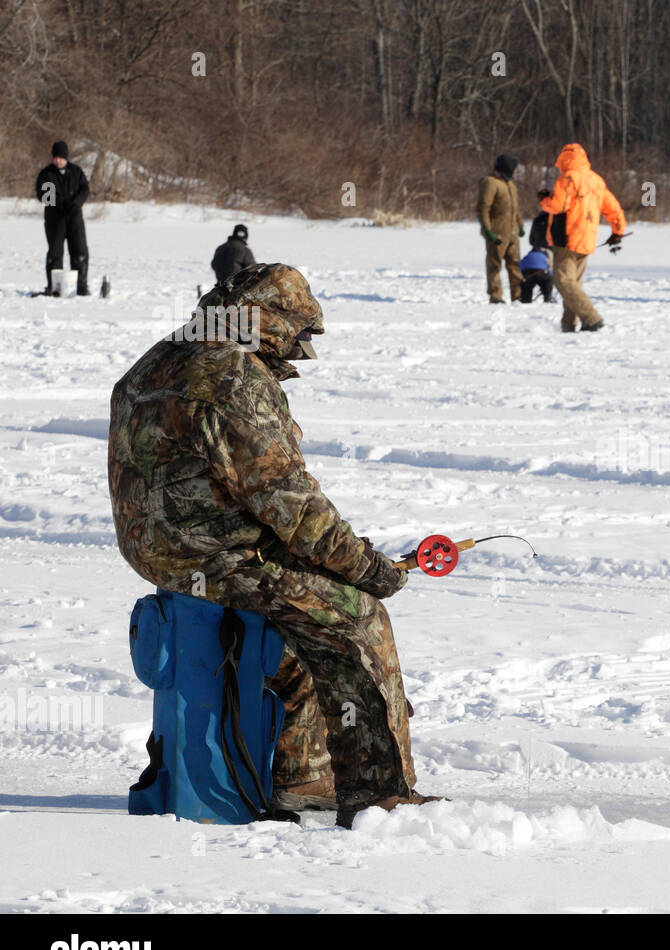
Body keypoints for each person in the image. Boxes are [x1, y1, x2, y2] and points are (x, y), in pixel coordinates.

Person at [108, 263, 441, 828]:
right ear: (268, 320)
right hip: (214, 555)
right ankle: (378, 793)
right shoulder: (231, 376)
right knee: (357, 618)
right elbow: (291, 506)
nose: (302, 347)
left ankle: (301, 771)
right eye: (299, 331)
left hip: (158, 548)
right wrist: (368, 568)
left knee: (306, 608)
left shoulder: (164, 354)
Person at [539, 143, 627, 332]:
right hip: (586, 238)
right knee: (573, 285)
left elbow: (557, 206)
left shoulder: (567, 179)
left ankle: (591, 318)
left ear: (564, 160)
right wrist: (618, 230)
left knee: (563, 281)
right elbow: (613, 208)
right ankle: (569, 325)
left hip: (567, 238)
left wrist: (543, 199)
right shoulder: (596, 180)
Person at [34, 140, 91, 296]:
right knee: (55, 253)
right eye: (55, 157)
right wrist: (61, 203)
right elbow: (43, 195)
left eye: (60, 157)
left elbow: (85, 189)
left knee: (79, 251)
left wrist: (76, 203)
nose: (57, 160)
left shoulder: (76, 172)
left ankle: (81, 287)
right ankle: (55, 288)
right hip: (55, 219)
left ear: (66, 157)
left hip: (74, 219)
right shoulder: (47, 174)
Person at [477, 153, 524, 304]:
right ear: (507, 169)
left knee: (515, 265)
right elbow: (483, 208)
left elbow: (516, 209)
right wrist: (488, 230)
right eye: (514, 169)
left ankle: (518, 296)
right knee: (494, 266)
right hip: (497, 233)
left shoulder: (510, 184)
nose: (516, 172)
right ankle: (495, 296)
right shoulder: (491, 183)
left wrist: (520, 224)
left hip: (512, 233)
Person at [520, 191, 555, 303]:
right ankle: (547, 298)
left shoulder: (537, 220)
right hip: (547, 258)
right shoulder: (556, 219)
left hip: (528, 261)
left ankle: (525, 300)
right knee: (548, 279)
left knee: (528, 283)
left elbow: (531, 240)